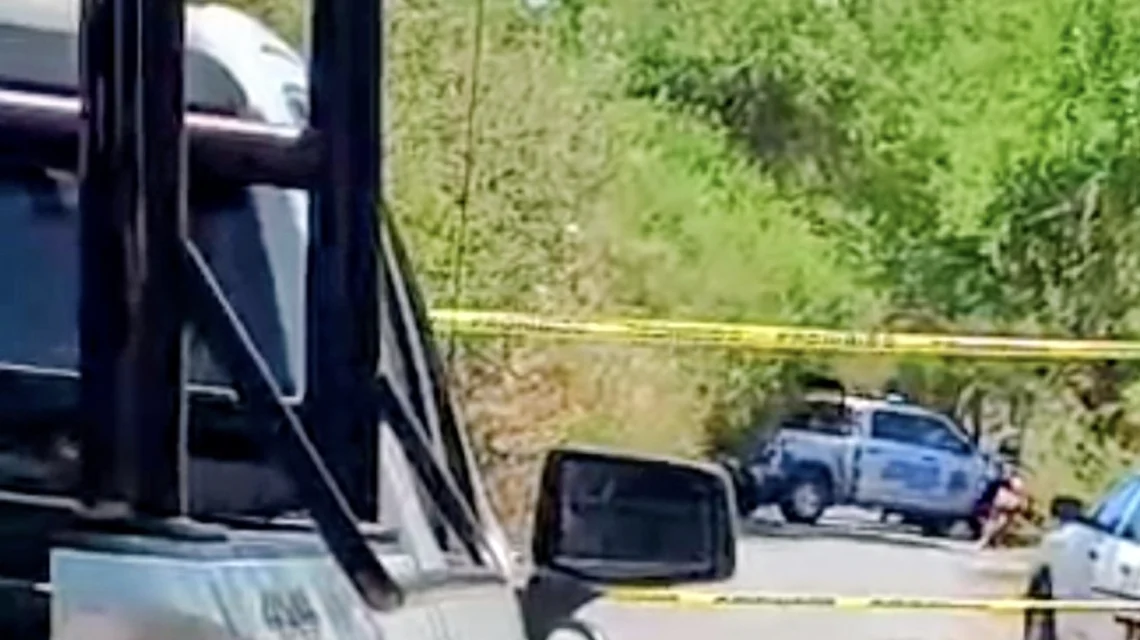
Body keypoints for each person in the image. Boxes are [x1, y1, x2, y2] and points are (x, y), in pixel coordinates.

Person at [976, 462, 1029, 549]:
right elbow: (1008, 484)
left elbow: (1021, 492)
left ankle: (996, 542)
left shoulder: (1016, 480)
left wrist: (1022, 502)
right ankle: (985, 540)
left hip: (1010, 504)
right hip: (1003, 503)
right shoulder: (1007, 479)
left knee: (1004, 524)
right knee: (996, 522)